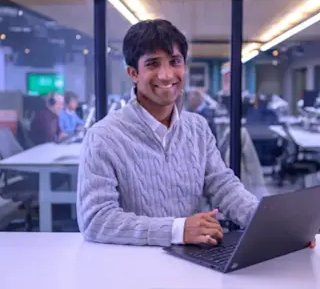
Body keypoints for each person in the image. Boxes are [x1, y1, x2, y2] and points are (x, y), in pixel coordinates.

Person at [77, 19, 316, 249]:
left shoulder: (197, 128)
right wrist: (177, 230)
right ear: (133, 73)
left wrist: (271, 226)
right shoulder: (103, 137)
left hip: (192, 259)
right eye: (152, 64)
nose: (167, 75)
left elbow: (223, 187)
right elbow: (96, 219)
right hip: (133, 267)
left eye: (174, 61)